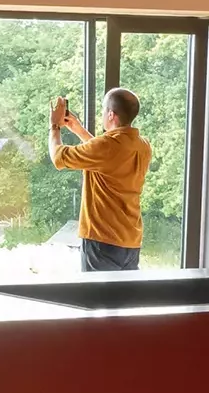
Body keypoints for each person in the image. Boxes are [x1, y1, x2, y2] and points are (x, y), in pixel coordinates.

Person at [50, 86, 152, 271]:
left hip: (102, 241)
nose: (102, 114)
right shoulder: (143, 145)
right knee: (124, 298)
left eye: (103, 110)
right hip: (131, 240)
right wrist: (79, 130)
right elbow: (106, 157)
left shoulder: (106, 146)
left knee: (97, 298)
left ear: (111, 115)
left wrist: (55, 125)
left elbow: (58, 157)